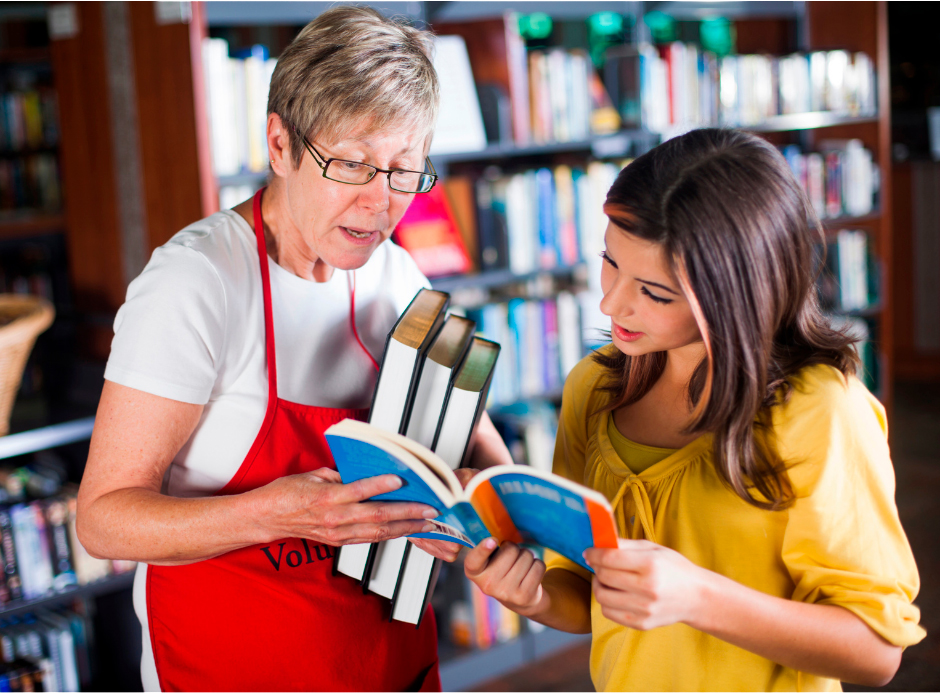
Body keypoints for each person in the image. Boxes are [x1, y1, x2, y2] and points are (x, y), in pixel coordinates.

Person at [76, 7, 511, 691]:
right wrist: (276, 513)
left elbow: (475, 446)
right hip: (230, 665)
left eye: (404, 171)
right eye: (353, 165)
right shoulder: (198, 282)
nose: (380, 203)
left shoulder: (396, 274)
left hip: (385, 660)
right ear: (280, 144)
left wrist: (477, 517)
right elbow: (103, 519)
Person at [462, 128, 925, 691]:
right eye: (610, 262)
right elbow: (586, 598)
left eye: (655, 293)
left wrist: (698, 597)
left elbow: (876, 653)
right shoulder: (592, 388)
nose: (611, 303)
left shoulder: (820, 413)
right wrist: (532, 594)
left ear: (734, 293)